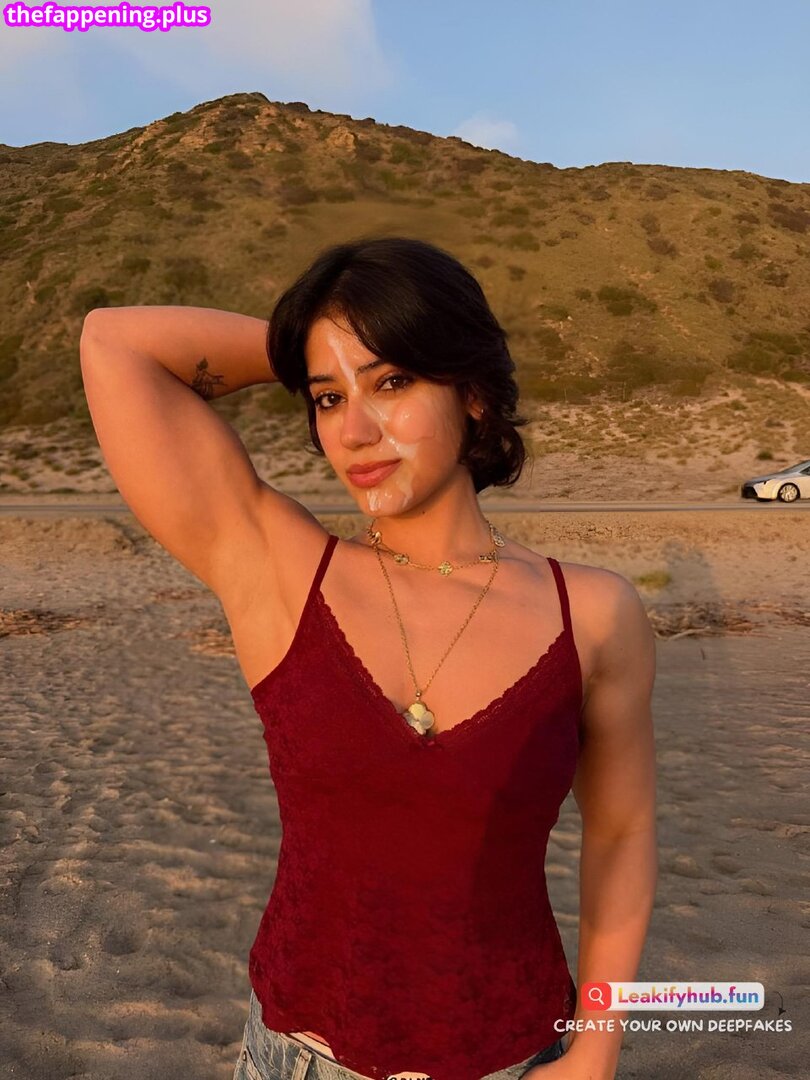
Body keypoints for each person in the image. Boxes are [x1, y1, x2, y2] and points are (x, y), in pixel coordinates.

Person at [80, 236, 658, 1080]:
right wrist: (311, 345)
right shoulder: (279, 573)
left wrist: (598, 1048)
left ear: (473, 394)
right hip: (295, 1057)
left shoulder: (595, 614)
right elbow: (113, 342)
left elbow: (620, 832)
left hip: (509, 1056)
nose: (354, 430)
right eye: (326, 398)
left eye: (393, 382)